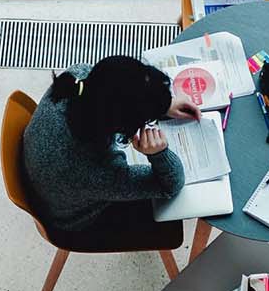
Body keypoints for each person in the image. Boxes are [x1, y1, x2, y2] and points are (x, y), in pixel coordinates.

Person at [20, 56, 202, 232]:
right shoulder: (95, 172)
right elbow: (171, 185)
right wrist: (159, 154)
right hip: (73, 219)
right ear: (123, 127)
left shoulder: (78, 77)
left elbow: (119, 90)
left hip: (44, 170)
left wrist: (161, 103)